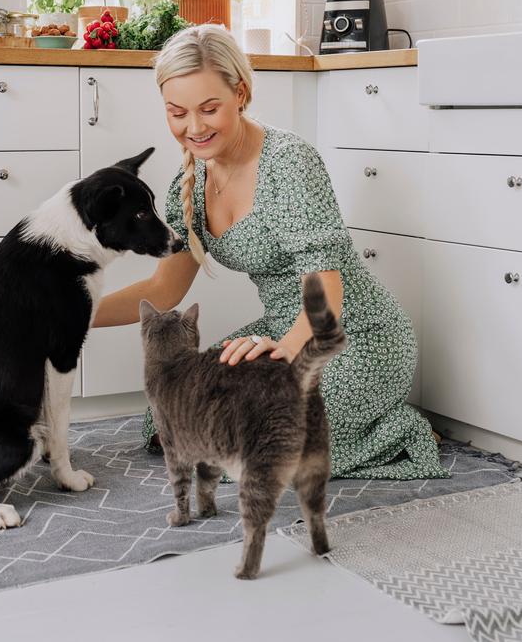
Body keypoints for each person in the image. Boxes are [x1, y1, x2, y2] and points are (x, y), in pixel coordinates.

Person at [91, 25, 446, 480]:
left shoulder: (290, 163)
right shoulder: (189, 184)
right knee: (171, 416)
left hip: (356, 339)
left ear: (240, 93)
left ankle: (393, 428)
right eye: (177, 112)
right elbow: (164, 291)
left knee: (260, 445)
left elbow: (327, 296)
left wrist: (281, 351)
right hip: (279, 332)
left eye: (209, 109)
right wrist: (71, 313)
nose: (193, 128)